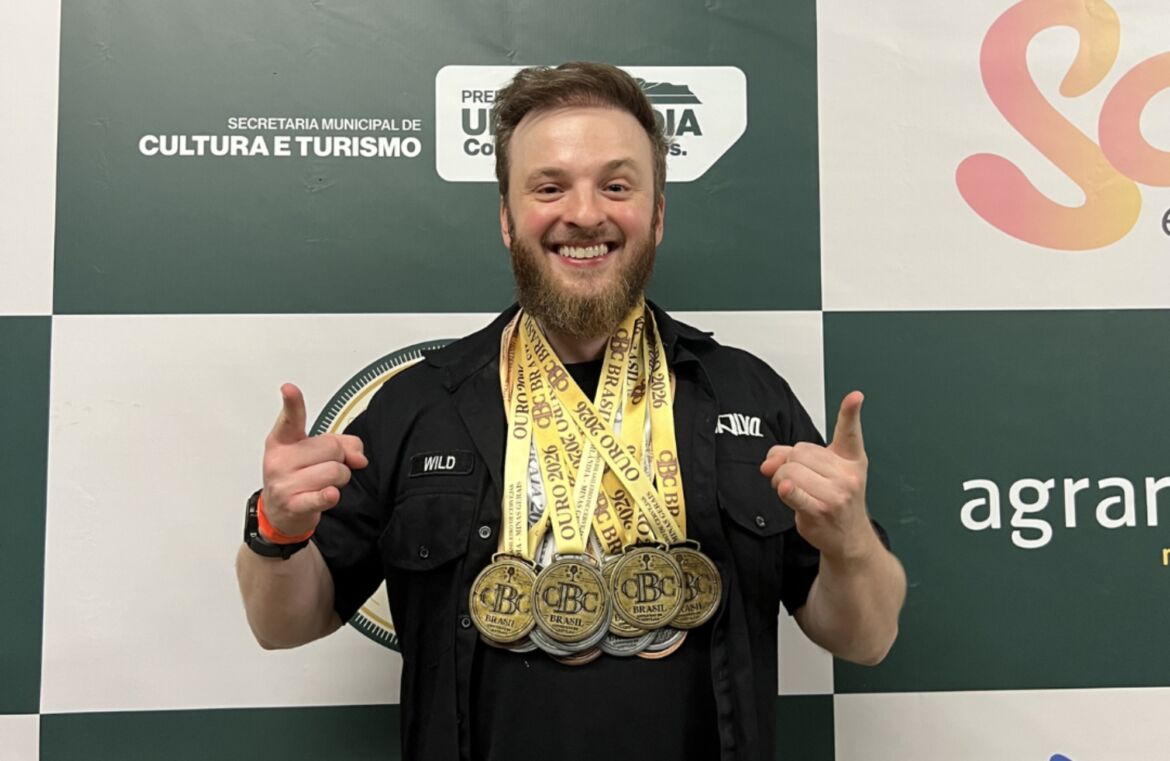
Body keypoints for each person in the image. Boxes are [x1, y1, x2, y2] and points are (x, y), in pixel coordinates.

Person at [236, 61, 906, 761]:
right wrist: (277, 531)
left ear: (657, 215)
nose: (585, 214)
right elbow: (281, 624)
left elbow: (868, 637)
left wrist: (849, 542)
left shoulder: (746, 395)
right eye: (550, 186)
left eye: (616, 186)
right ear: (507, 219)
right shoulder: (419, 404)